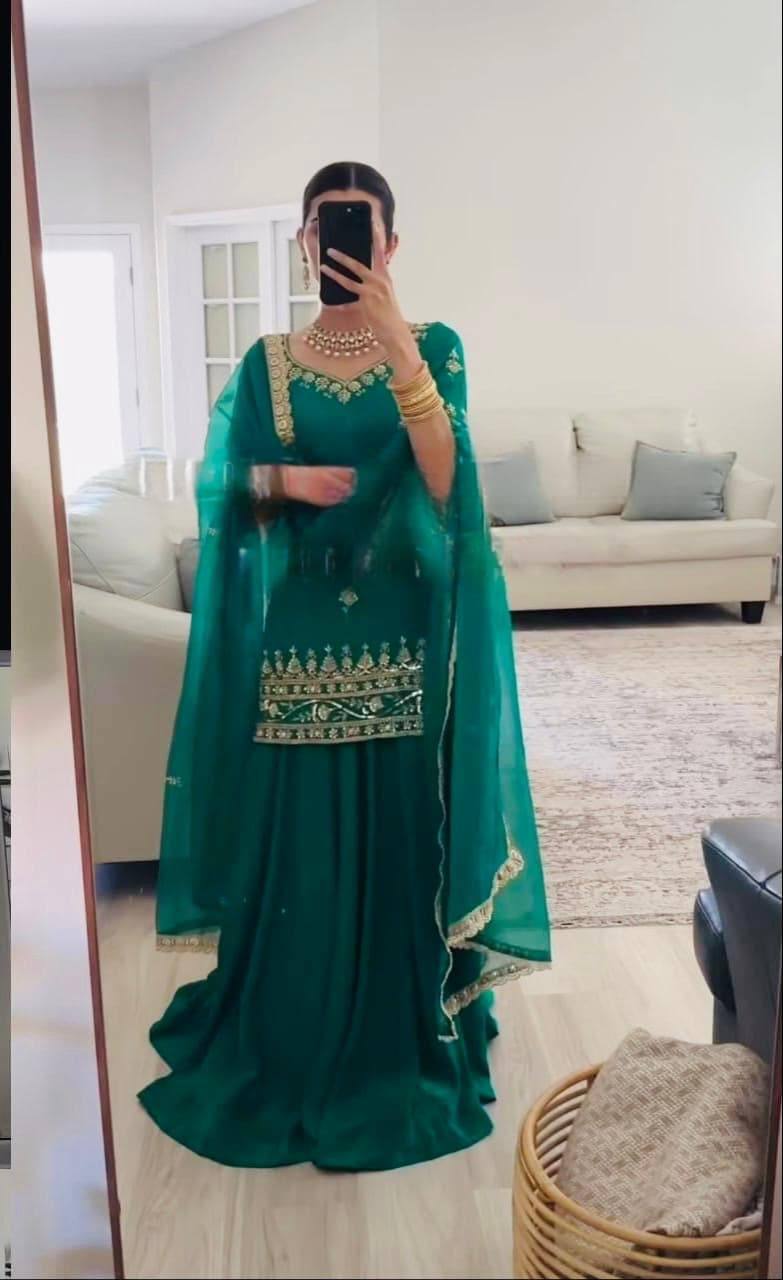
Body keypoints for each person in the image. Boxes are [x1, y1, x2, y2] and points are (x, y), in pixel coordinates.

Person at [138, 161, 551, 1170]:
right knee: (302, 831)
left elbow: (449, 485)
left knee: (401, 822)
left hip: (404, 627)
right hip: (301, 627)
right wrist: (286, 481)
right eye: (328, 230)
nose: (345, 246)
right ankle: (292, 1020)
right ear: (304, 243)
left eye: (362, 230)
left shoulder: (435, 346)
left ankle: (393, 1019)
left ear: (391, 245)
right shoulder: (268, 362)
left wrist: (401, 347)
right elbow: (222, 491)